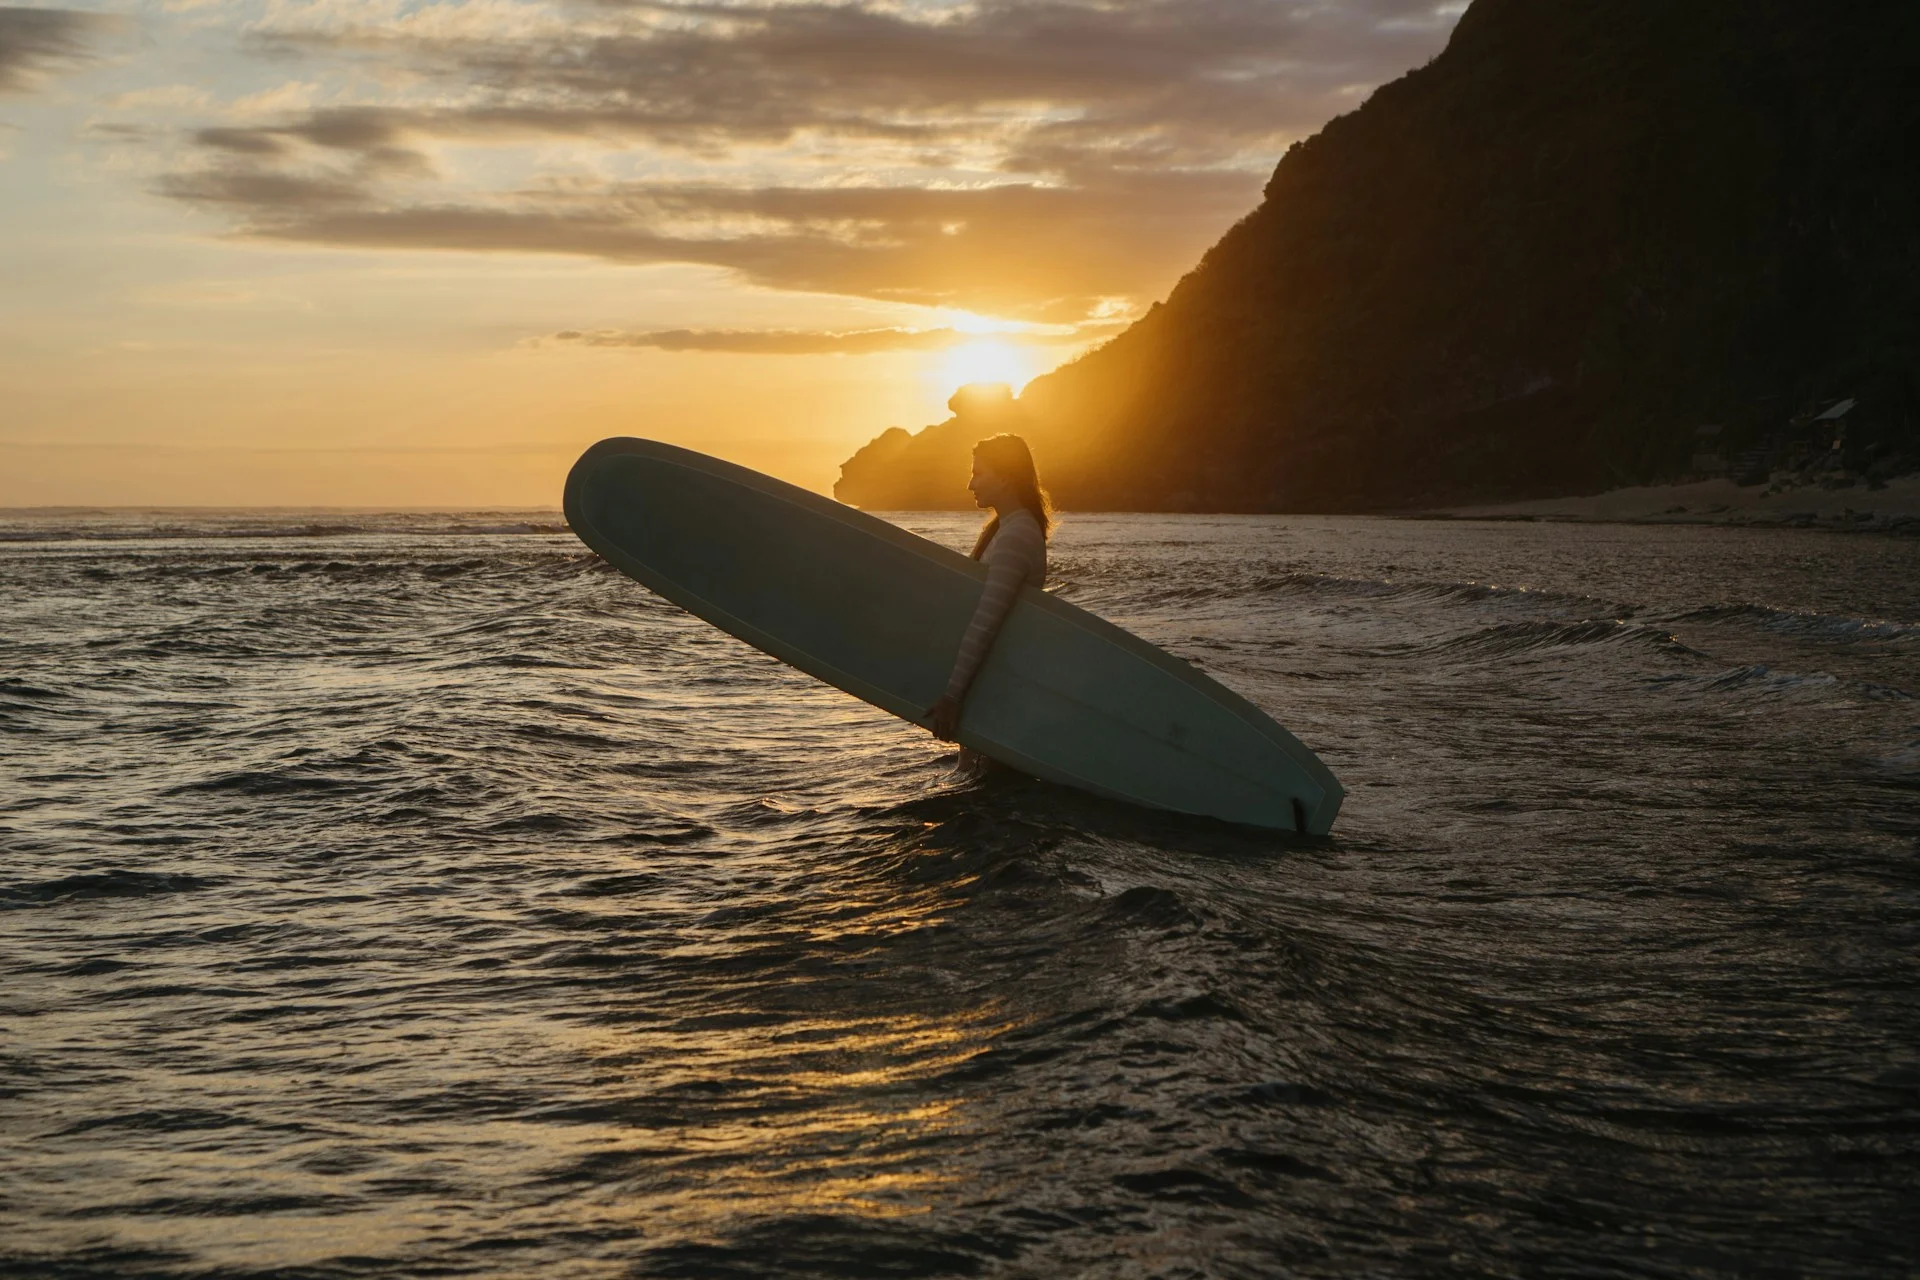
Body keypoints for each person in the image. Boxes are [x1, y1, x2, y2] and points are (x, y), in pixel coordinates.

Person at [926, 433, 1053, 746]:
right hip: (989, 682)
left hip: (995, 686)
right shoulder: (1005, 528)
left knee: (979, 779)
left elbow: (987, 622)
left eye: (978, 473)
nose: (970, 484)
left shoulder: (1016, 536)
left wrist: (953, 696)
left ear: (1006, 477)